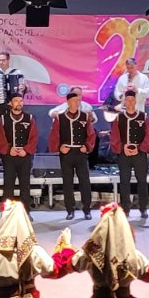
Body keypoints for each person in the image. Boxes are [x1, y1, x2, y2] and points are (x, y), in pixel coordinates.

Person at [50, 86, 97, 219]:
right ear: (68, 102)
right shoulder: (60, 118)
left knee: (84, 182)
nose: (77, 103)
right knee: (67, 182)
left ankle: (87, 209)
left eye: (78, 100)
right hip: (67, 153)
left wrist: (87, 146)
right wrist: (59, 147)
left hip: (80, 153)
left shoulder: (84, 116)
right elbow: (54, 135)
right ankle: (70, 210)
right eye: (74, 101)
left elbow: (91, 134)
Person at [111, 88, 149, 220]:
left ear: (135, 101)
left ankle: (143, 208)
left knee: (142, 181)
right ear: (124, 102)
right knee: (124, 181)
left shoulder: (143, 117)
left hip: (139, 153)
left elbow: (148, 135)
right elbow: (115, 135)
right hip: (124, 154)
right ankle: (125, 208)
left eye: (132, 100)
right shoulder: (119, 117)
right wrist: (122, 147)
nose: (129, 102)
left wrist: (140, 148)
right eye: (127, 100)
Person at [0, 91, 38, 211]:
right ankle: (6, 213)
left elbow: (34, 137)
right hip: (9, 157)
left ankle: (25, 212)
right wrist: (9, 149)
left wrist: (26, 150)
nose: (19, 103)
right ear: (10, 103)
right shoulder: (3, 119)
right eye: (16, 101)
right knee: (8, 186)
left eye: (21, 100)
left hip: (24, 156)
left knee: (25, 186)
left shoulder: (29, 118)